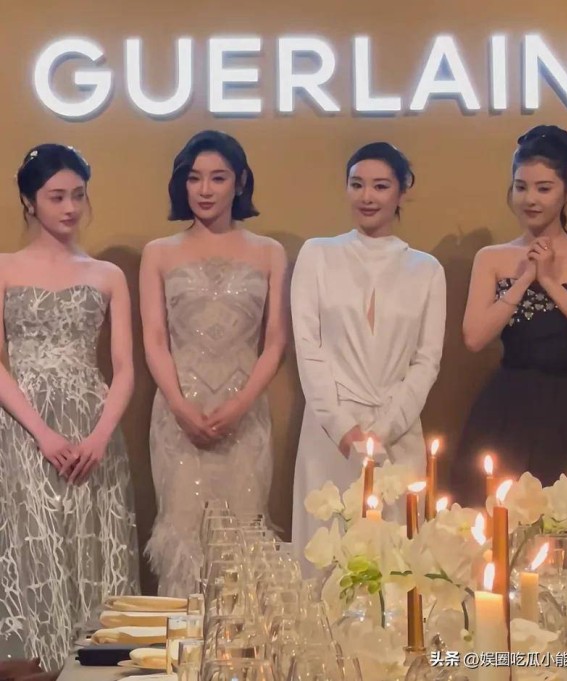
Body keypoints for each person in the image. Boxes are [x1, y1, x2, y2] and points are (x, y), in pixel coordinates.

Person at [0, 144, 139, 671]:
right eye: (56, 196)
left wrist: (100, 436)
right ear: (29, 201)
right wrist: (41, 433)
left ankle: (97, 669)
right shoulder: (4, 267)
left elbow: (124, 368)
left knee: (92, 548)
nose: (70, 207)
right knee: (36, 551)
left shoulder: (107, 274)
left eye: (78, 195)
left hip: (92, 428)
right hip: (25, 429)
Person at [141, 130, 288, 596]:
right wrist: (180, 406)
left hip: (244, 418)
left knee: (243, 546)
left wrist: (242, 404)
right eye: (194, 178)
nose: (204, 190)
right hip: (178, 418)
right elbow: (154, 339)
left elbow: (275, 341)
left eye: (218, 178)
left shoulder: (269, 252)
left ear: (240, 182)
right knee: (183, 540)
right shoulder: (159, 252)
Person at [291, 142, 446, 564]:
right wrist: (344, 429)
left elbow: (427, 360)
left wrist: (385, 429)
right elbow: (308, 347)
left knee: (397, 564)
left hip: (398, 433)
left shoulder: (426, 270)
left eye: (380, 186)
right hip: (330, 435)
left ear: (402, 190)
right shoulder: (318, 254)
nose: (367, 196)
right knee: (326, 559)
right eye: (357, 184)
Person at [453, 125, 567, 505]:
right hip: (506, 407)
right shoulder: (492, 258)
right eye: (521, 187)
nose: (530, 199)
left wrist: (549, 281)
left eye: (543, 188)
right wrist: (523, 280)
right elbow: (474, 338)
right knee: (495, 517)